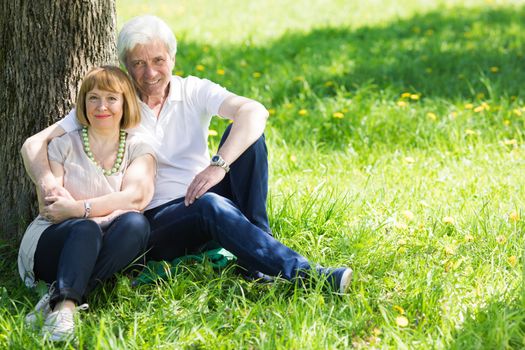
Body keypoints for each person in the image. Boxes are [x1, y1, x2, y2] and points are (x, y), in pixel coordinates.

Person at [21, 15, 352, 297]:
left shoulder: (192, 89)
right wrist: (49, 181)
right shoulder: (116, 104)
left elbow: (254, 111)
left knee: (248, 141)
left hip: (207, 193)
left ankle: (259, 248)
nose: (150, 72)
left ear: (173, 59)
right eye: (138, 63)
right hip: (156, 221)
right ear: (126, 65)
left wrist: (218, 166)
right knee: (208, 205)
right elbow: (33, 145)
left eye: (158, 60)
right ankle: (308, 275)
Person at [19, 66, 156, 341]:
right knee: (85, 229)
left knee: (136, 224)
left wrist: (80, 209)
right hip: (54, 242)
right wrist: (99, 213)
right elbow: (55, 208)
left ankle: (56, 300)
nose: (101, 106)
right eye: (93, 98)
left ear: (125, 103)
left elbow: (135, 198)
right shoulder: (63, 145)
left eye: (111, 98)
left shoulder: (138, 147)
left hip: (105, 241)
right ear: (83, 103)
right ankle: (67, 305)